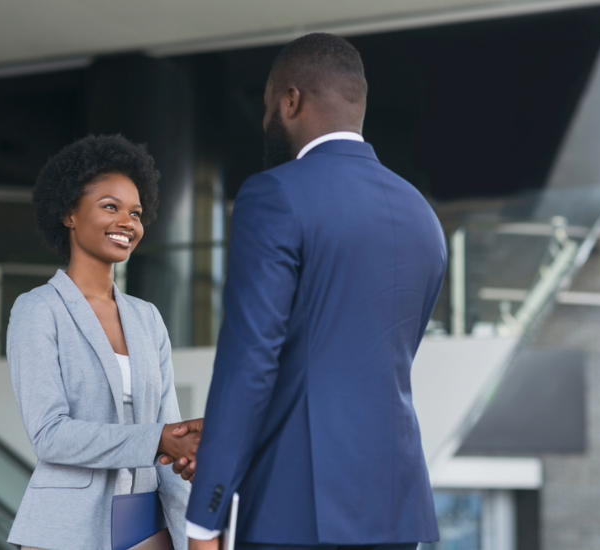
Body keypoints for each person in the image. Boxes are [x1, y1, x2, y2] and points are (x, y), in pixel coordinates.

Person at [179, 33, 446, 550]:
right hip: (396, 511)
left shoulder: (274, 194)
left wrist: (205, 518)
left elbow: (251, 361)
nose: (264, 123)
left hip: (295, 508)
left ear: (290, 100)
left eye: (266, 107)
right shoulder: (423, 216)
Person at [6, 135, 200, 550]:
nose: (127, 223)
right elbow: (50, 435)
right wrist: (159, 439)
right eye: (110, 207)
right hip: (65, 529)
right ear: (69, 214)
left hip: (146, 526)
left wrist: (194, 538)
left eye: (136, 212)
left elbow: (168, 445)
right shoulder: (38, 310)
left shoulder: (148, 319)